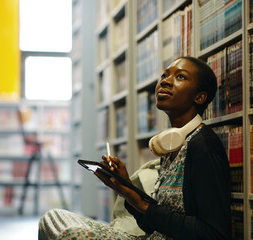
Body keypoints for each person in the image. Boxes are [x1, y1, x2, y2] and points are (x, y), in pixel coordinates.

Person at [38, 56, 232, 240]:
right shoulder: (172, 145)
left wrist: (142, 203)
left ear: (199, 97)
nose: (165, 81)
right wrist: (125, 187)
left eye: (180, 76)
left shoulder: (203, 145)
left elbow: (213, 233)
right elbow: (152, 224)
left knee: (73, 235)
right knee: (53, 218)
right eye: (165, 75)